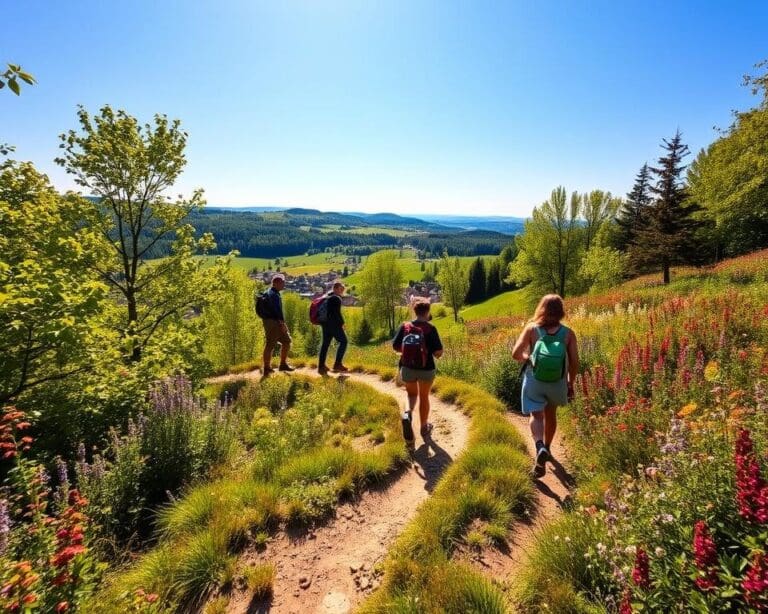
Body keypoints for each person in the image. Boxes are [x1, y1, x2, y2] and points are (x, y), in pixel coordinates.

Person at [512, 294, 579, 478]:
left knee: (536, 414)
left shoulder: (532, 329)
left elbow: (516, 354)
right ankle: (548, 448)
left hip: (535, 381)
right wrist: (570, 383)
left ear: (541, 308)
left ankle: (539, 446)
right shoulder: (568, 333)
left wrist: (530, 358)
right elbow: (575, 363)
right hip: (557, 382)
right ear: (561, 311)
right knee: (551, 414)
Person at [392, 299, 443, 444]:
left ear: (415, 311)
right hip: (426, 369)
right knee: (424, 396)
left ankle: (407, 414)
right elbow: (438, 352)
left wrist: (408, 353)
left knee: (411, 394)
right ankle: (423, 427)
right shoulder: (431, 328)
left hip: (408, 367)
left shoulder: (405, 326)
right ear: (427, 311)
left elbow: (395, 346)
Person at [261, 273, 295, 375]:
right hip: (274, 322)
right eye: (282, 282)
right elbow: (277, 311)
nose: (284, 284)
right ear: (276, 283)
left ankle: (282, 364)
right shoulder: (273, 294)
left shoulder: (271, 293)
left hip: (271, 321)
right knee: (270, 344)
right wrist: (282, 323)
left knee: (286, 341)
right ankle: (267, 368)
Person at [318, 281, 349, 375]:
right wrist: (342, 323)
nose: (342, 291)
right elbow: (337, 313)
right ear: (335, 288)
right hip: (333, 324)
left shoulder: (327, 297)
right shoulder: (336, 298)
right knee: (344, 341)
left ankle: (321, 366)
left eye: (343, 290)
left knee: (325, 344)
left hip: (325, 324)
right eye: (340, 289)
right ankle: (337, 364)